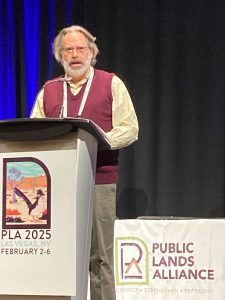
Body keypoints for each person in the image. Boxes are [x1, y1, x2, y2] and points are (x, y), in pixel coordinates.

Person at [30, 25, 139, 300]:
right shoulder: (50, 90)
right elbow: (34, 129)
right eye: (68, 49)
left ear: (92, 52)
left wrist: (98, 141)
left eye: (81, 48)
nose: (75, 54)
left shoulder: (110, 83)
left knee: (100, 256)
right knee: (61, 253)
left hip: (99, 179)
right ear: (60, 55)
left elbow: (130, 128)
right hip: (58, 184)